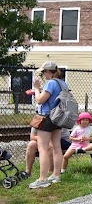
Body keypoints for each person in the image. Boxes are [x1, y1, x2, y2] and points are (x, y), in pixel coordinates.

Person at [28, 61, 66, 189]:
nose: (44, 74)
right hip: (58, 117)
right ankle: (56, 175)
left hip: (48, 117)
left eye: (44, 72)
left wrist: (37, 88)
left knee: (43, 147)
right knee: (56, 147)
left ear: (49, 72)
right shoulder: (63, 83)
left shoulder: (50, 83)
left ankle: (42, 179)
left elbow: (40, 100)